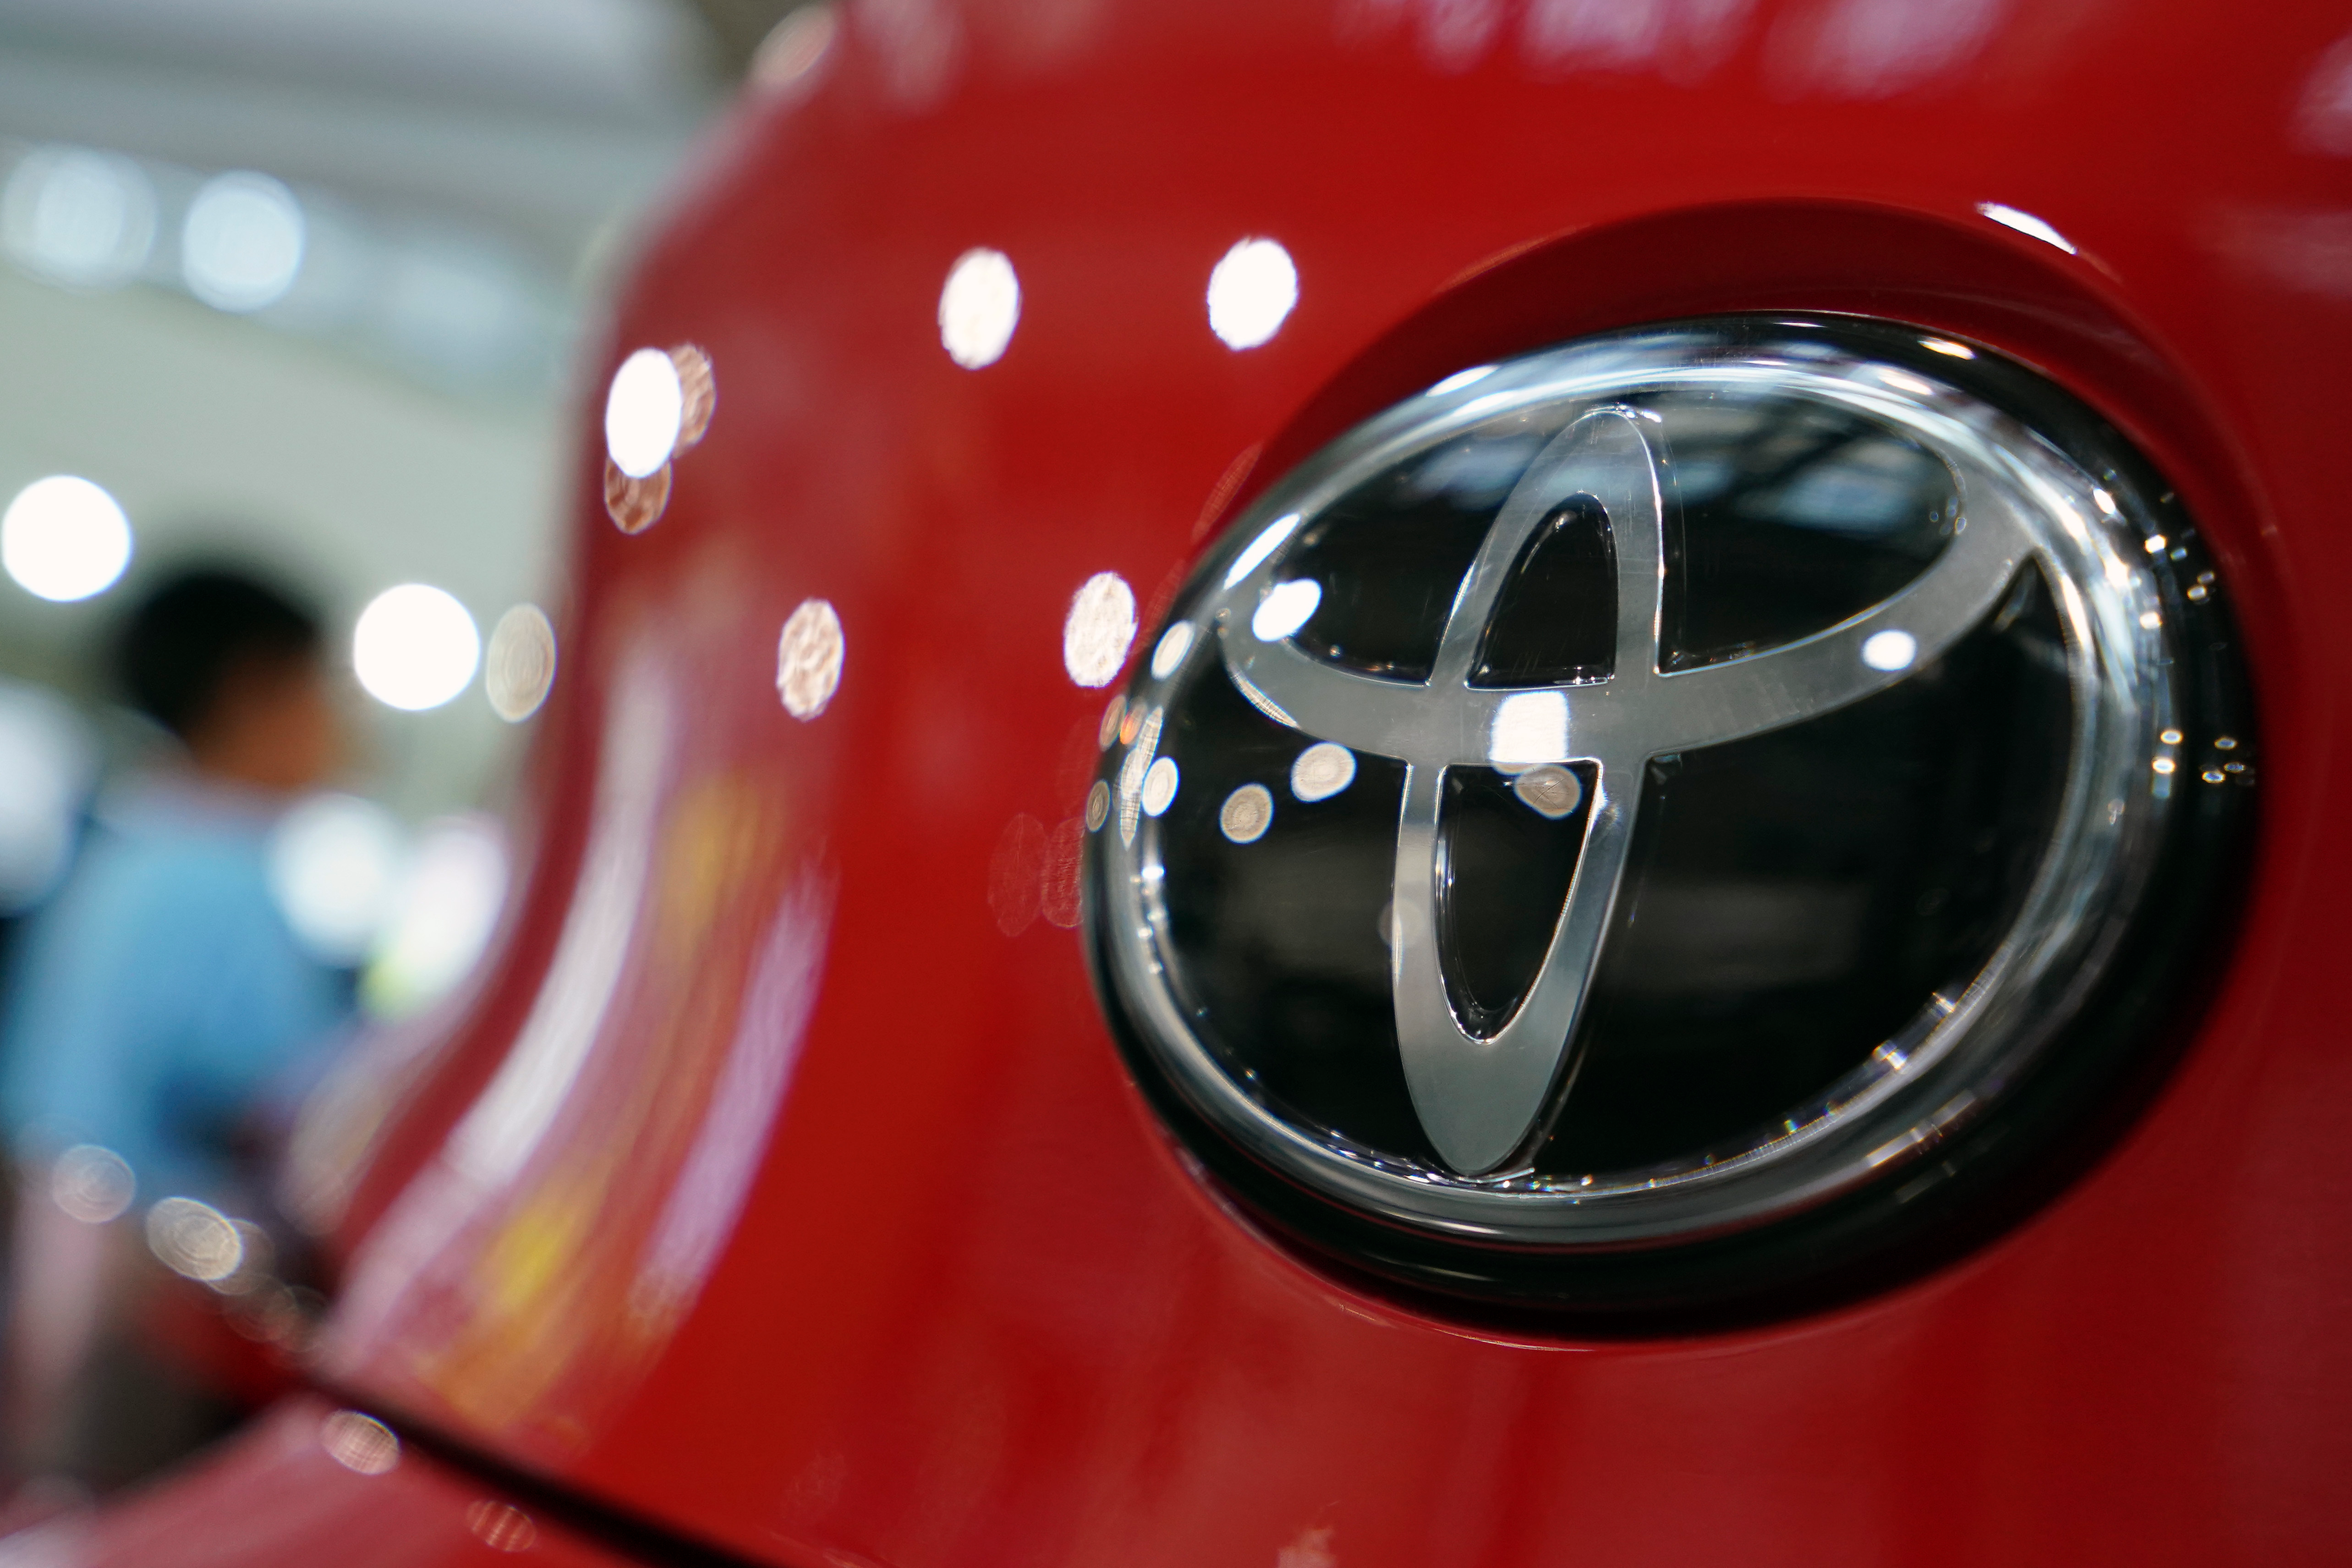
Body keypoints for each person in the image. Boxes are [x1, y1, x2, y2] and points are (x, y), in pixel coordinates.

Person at [0, 567, 350, 1501]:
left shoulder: (127, 845)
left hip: (56, 1224)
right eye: (326, 690)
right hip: (146, 1269)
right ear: (255, 691)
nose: (344, 726)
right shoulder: (223, 874)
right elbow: (280, 1095)